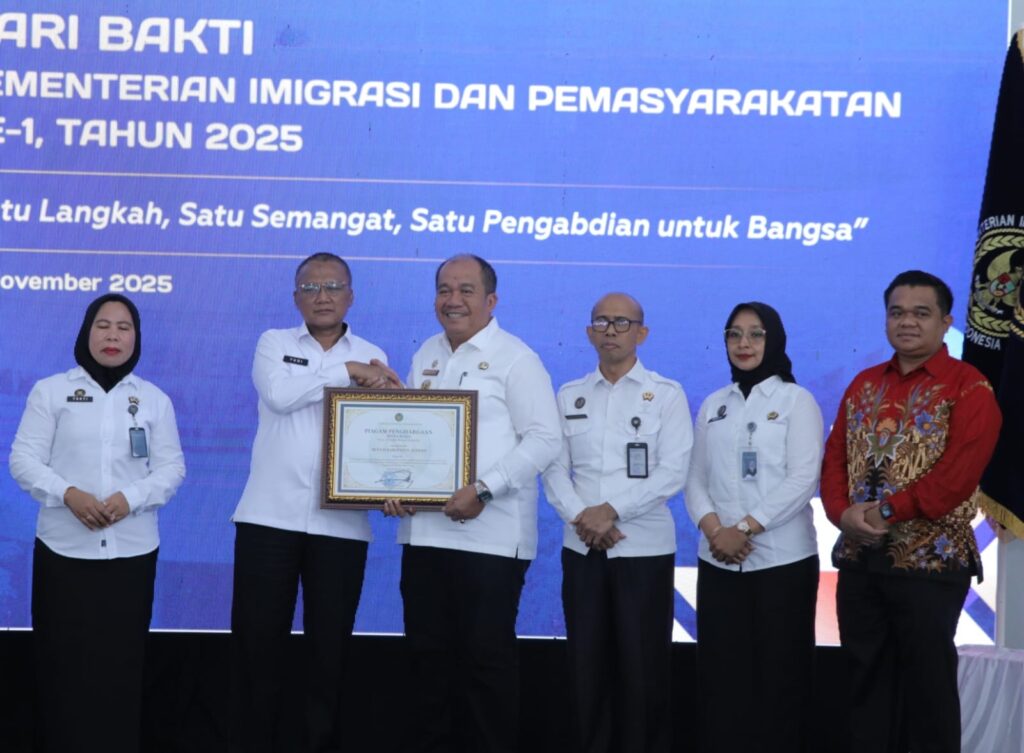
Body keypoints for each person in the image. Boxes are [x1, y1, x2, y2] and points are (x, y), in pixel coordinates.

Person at [383, 254, 561, 753]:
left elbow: (545, 439)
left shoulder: (516, 358)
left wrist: (485, 488)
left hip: (492, 542)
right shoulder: (426, 353)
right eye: (444, 289)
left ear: (491, 300)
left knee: (486, 669)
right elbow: (410, 436)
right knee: (428, 665)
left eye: (465, 290)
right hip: (425, 536)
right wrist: (392, 484)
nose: (453, 300)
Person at [821, 270, 1001, 753]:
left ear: (946, 322)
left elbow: (956, 477)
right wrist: (841, 514)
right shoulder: (863, 385)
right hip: (860, 561)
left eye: (921, 313)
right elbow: (835, 460)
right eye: (897, 312)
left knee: (927, 689)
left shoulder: (970, 388)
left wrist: (886, 511)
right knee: (864, 683)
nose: (907, 322)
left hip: (930, 565)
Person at [229, 252, 401, 753]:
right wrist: (346, 371)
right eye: (310, 287)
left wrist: (397, 481)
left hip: (341, 527)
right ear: (295, 297)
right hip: (268, 520)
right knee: (257, 649)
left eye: (332, 286)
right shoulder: (274, 343)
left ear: (351, 295)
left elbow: (380, 436)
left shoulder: (373, 354)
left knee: (329, 654)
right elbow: (280, 396)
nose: (322, 296)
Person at [9, 293, 186, 753]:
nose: (113, 335)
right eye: (103, 325)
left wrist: (131, 499)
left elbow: (171, 468)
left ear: (136, 338)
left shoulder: (154, 399)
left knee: (120, 671)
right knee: (62, 668)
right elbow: (23, 460)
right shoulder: (51, 391)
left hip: (132, 554)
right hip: (64, 552)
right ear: (86, 332)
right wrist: (68, 494)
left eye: (124, 327)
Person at [542, 292, 692, 753]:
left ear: (641, 333)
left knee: (643, 671)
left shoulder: (666, 394)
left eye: (622, 323)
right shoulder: (569, 395)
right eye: (602, 321)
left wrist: (611, 511)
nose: (611, 330)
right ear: (589, 332)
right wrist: (582, 518)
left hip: (643, 551)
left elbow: (673, 471)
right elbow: (553, 468)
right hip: (582, 548)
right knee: (586, 668)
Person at [684, 302, 823, 753]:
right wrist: (715, 531)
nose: (744, 344)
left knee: (781, 680)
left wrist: (742, 529)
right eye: (734, 334)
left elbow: (803, 479)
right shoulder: (714, 404)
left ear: (774, 340)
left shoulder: (796, 401)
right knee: (721, 679)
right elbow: (695, 480)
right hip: (719, 562)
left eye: (756, 334)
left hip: (782, 563)